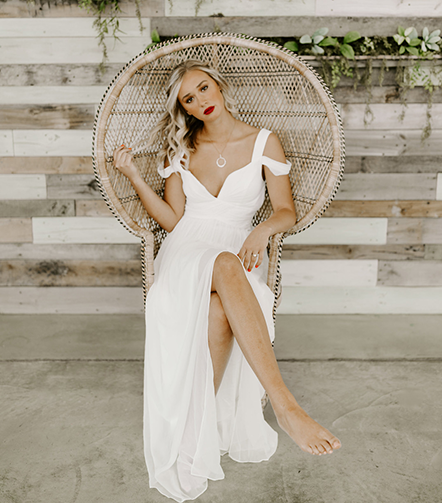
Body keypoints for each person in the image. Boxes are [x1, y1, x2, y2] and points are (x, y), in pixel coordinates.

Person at [113, 60, 341, 501]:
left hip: (241, 249)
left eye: (203, 87)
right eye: (189, 98)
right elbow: (173, 221)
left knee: (220, 307)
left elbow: (286, 211)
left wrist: (261, 231)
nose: (200, 100)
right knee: (223, 263)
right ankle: (286, 407)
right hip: (187, 254)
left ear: (218, 85)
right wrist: (136, 177)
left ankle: (194, 432)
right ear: (184, 108)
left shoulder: (263, 142)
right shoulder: (179, 150)